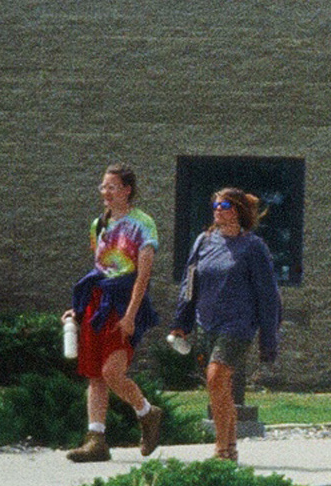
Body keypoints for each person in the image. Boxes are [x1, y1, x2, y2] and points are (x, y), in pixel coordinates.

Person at [173, 186, 283, 462]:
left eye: (223, 206)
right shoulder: (203, 242)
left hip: (238, 325)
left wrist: (268, 338)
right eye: (215, 206)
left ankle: (221, 450)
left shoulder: (253, 247)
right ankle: (231, 445)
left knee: (216, 377)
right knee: (218, 386)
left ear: (237, 211)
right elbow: (189, 284)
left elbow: (268, 296)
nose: (217, 211)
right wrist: (181, 322)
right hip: (206, 322)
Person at [60, 165, 163, 460]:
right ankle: (96, 440)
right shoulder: (99, 224)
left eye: (112, 187)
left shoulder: (143, 224)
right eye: (103, 187)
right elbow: (100, 269)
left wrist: (130, 315)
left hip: (125, 301)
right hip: (98, 301)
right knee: (95, 375)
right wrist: (79, 309)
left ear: (127, 190)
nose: (105, 192)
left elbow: (143, 275)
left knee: (112, 372)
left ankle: (147, 412)